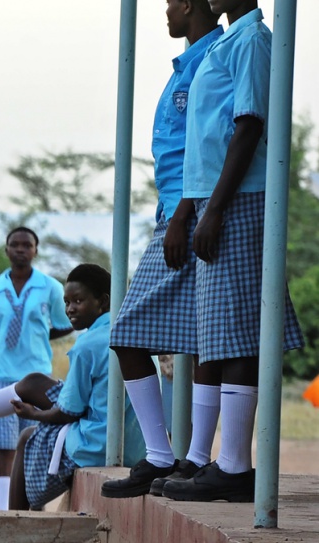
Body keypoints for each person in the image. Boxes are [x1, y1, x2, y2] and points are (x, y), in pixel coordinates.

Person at [159, 0, 303, 502]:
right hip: (214, 198)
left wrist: (215, 208)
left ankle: (236, 466)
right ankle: (213, 462)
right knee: (219, 332)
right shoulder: (229, 39)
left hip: (240, 198)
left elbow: (249, 124)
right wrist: (197, 205)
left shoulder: (253, 40)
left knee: (239, 331)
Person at [100, 0, 225, 500]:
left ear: (189, 5)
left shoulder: (211, 60)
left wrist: (183, 213)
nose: (166, 11)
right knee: (200, 339)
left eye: (171, 2)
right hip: (174, 211)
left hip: (187, 212)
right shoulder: (192, 61)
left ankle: (165, 454)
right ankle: (189, 458)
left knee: (128, 330)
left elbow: (208, 143)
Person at [0, 264, 145, 510]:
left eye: (78, 301)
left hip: (101, 444)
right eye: (66, 302)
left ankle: (16, 522)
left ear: (103, 301)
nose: (70, 309)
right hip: (135, 444)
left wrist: (35, 414)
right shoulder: (132, 334)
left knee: (26, 438)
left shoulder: (88, 345)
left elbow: (69, 412)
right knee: (33, 383)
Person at [0, 227, 72, 510]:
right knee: (5, 446)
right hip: (0, 375)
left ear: (36, 250)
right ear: (6, 250)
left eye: (27, 245)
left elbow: (65, 322)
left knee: (32, 442)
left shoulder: (51, 288)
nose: (21, 249)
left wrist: (39, 335)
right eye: (15, 245)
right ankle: (3, 509)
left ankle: (32, 506)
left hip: (36, 377)